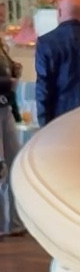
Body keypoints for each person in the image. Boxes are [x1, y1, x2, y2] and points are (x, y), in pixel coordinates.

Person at [0, 31, 24, 235]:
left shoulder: (2, 46)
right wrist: (8, 82)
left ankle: (16, 222)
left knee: (15, 162)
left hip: (5, 107)